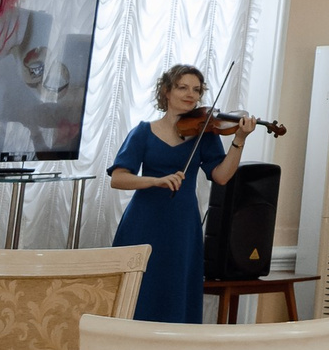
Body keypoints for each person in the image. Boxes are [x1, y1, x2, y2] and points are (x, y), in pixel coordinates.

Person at [108, 65, 255, 324]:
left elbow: (222, 176)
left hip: (182, 223)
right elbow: (118, 179)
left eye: (196, 90)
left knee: (177, 284)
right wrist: (156, 181)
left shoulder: (204, 134)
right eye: (182, 87)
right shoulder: (143, 132)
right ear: (166, 91)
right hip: (143, 221)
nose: (190, 95)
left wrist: (240, 139)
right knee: (139, 287)